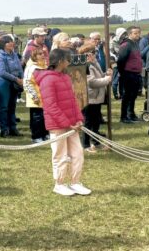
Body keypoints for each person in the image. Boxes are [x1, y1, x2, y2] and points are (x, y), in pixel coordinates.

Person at [34, 48, 89, 197]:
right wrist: (66, 123)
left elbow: (72, 101)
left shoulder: (65, 77)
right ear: (59, 61)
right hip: (57, 125)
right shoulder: (47, 79)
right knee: (60, 155)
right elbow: (51, 106)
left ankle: (75, 182)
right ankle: (59, 184)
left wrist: (79, 119)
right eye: (67, 59)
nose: (69, 62)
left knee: (78, 153)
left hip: (72, 124)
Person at [80, 44, 112, 153]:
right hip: (90, 97)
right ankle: (85, 144)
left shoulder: (94, 63)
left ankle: (95, 141)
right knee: (88, 122)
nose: (95, 55)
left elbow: (99, 77)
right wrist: (107, 79)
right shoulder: (86, 66)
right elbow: (92, 82)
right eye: (93, 53)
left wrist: (105, 74)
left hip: (97, 97)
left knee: (95, 121)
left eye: (95, 52)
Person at [0, 35, 23, 137]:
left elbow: (19, 68)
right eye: (8, 42)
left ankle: (13, 128)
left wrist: (22, 78)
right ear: (3, 44)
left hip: (15, 82)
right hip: (3, 83)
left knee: (12, 107)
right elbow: (2, 72)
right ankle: (4, 129)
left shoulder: (14, 55)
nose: (11, 43)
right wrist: (16, 79)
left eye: (12, 42)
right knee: (4, 107)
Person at [116, 26, 143, 123]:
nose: (138, 35)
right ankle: (124, 117)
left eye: (139, 33)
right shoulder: (126, 44)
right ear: (129, 34)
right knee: (127, 96)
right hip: (128, 74)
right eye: (135, 33)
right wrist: (123, 73)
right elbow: (121, 60)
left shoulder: (135, 44)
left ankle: (131, 114)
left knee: (133, 95)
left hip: (136, 74)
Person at [23, 47, 48, 143]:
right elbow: (27, 83)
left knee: (44, 117)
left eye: (43, 54)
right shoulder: (31, 68)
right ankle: (36, 136)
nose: (42, 55)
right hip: (35, 97)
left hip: (44, 96)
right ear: (34, 56)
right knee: (37, 118)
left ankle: (44, 134)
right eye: (40, 54)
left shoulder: (44, 66)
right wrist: (34, 96)